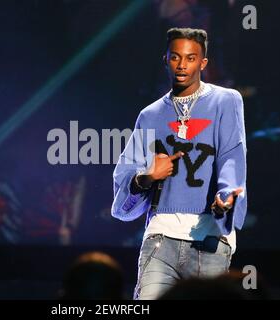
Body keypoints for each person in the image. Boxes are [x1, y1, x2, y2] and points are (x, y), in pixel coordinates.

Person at [111, 27, 247, 300]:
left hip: (208, 238)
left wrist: (225, 197)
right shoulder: (149, 115)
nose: (182, 65)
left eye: (191, 58)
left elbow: (232, 154)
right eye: (175, 57)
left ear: (203, 63)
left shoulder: (226, 100)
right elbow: (127, 176)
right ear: (166, 60)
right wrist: (146, 178)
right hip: (161, 237)